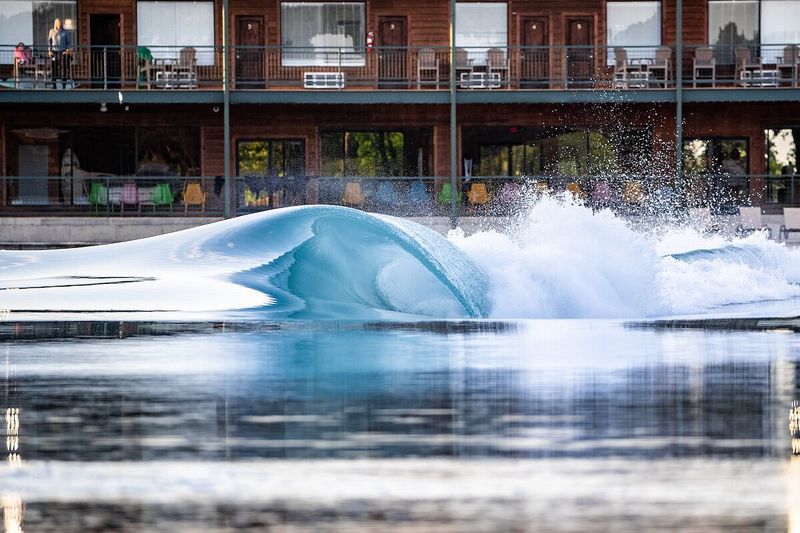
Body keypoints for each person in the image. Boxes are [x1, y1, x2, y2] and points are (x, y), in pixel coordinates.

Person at [48, 18, 72, 89]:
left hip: (63, 52)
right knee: (54, 67)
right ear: (55, 23)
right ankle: (54, 84)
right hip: (54, 52)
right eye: (58, 23)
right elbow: (49, 41)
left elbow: (69, 42)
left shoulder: (65, 32)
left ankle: (64, 84)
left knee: (64, 67)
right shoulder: (52, 31)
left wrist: (67, 50)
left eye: (60, 23)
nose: (59, 24)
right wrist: (49, 50)